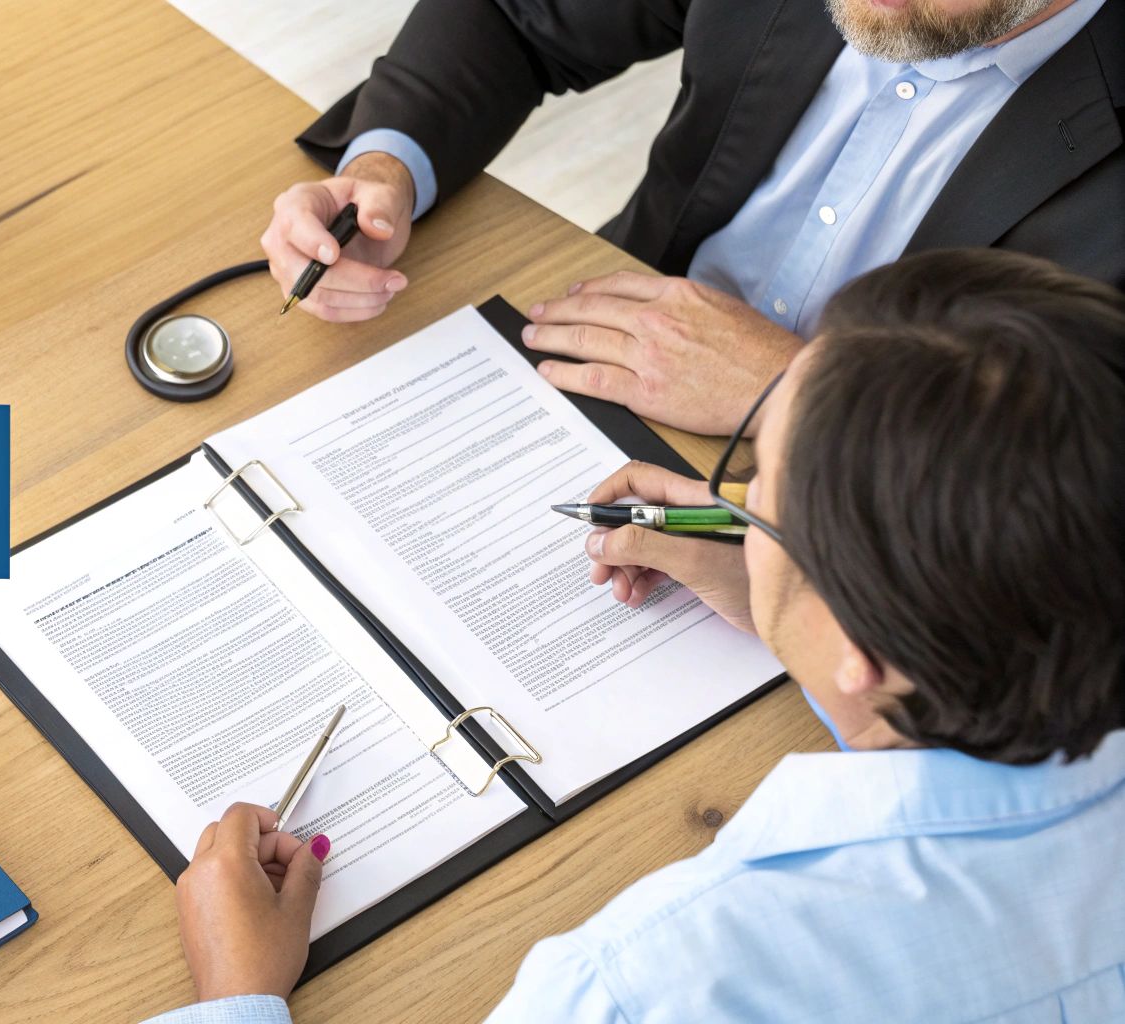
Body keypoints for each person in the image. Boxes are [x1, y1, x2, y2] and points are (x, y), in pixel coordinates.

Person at [144, 249, 1125, 1023]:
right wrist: (800, 612)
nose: (726, 503)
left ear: (863, 648)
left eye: (761, 499)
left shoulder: (647, 985)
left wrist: (234, 995)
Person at [258, 0, 1125, 435]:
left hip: (862, 515)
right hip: (587, 366)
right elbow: (516, 15)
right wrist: (385, 169)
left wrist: (804, 394)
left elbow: (1088, 489)